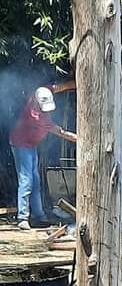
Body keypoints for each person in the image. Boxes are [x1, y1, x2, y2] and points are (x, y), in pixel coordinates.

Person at [9, 82, 76, 229]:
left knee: (35, 181)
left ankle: (39, 215)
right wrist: (80, 139)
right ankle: (23, 218)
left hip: (30, 145)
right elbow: (61, 132)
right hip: (21, 144)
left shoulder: (40, 93)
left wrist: (73, 84)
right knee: (26, 180)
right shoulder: (37, 117)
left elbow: (56, 87)